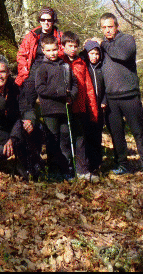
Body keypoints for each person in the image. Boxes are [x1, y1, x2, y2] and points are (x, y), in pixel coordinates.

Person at [99, 13, 143, 185]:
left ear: (117, 26)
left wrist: (102, 44)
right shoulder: (102, 46)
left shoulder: (127, 40)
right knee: (116, 134)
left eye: (110, 26)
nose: (107, 30)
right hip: (111, 98)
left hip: (129, 96)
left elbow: (122, 55)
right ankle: (123, 164)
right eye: (104, 27)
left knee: (139, 133)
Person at [16, 7, 64, 175]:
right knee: (27, 111)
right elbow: (21, 55)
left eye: (49, 20)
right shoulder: (32, 35)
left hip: (52, 73)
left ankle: (55, 161)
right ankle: (30, 158)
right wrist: (24, 72)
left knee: (52, 116)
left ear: (53, 21)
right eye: (43, 20)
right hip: (32, 73)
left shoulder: (59, 36)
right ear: (39, 21)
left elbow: (63, 53)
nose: (46, 23)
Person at [35, 35, 78, 181]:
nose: (52, 53)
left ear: (58, 48)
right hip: (49, 110)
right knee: (52, 140)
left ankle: (66, 168)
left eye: (54, 50)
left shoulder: (65, 65)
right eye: (48, 50)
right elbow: (40, 88)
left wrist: (71, 96)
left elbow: (74, 84)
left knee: (65, 139)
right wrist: (59, 92)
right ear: (43, 51)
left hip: (64, 109)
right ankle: (53, 171)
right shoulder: (42, 67)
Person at [62, 31, 99, 182]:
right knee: (65, 139)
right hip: (63, 107)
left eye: (75, 46)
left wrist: (93, 110)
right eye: (69, 46)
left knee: (80, 139)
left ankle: (83, 170)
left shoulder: (81, 63)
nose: (73, 49)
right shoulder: (59, 61)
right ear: (63, 46)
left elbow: (89, 88)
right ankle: (67, 170)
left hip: (80, 106)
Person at [82, 39, 106, 174]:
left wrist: (104, 100)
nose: (94, 57)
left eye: (97, 54)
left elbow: (107, 87)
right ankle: (88, 163)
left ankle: (97, 162)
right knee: (87, 135)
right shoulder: (84, 67)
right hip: (87, 107)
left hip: (100, 106)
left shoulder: (101, 68)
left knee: (97, 134)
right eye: (91, 53)